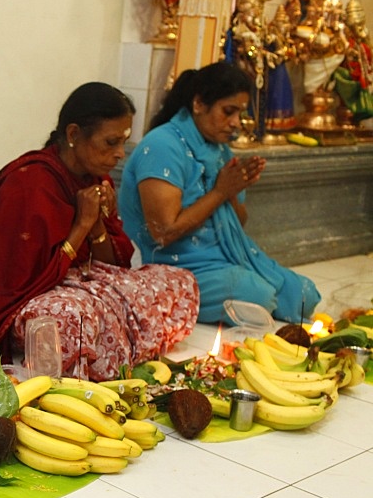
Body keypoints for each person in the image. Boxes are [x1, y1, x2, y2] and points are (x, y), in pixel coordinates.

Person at [0, 83, 199, 380]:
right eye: (111, 142)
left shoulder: (96, 179)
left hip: (84, 282)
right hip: (31, 299)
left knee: (178, 280)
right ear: (73, 134)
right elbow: (25, 283)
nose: (120, 154)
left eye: (124, 142)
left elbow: (114, 266)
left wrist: (97, 226)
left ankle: (114, 350)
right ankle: (100, 355)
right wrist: (81, 225)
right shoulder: (29, 183)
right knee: (68, 318)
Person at [119, 62, 321, 324]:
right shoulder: (162, 146)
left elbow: (239, 223)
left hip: (223, 258)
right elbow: (163, 231)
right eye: (228, 111)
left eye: (240, 113)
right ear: (199, 104)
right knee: (257, 295)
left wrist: (234, 190)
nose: (235, 123)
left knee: (304, 296)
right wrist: (221, 191)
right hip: (171, 266)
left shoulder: (218, 149)